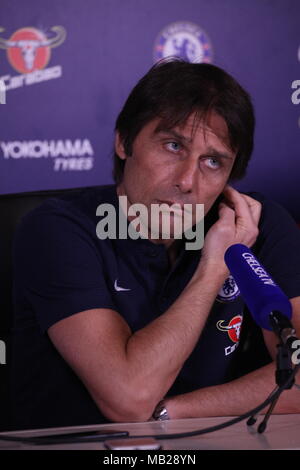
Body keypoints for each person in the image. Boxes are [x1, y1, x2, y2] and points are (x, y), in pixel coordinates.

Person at [11, 58, 300, 430]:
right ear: (124, 141)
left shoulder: (257, 224)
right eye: (173, 145)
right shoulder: (57, 229)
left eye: (212, 161)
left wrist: (174, 412)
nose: (186, 181)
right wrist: (214, 266)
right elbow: (130, 398)